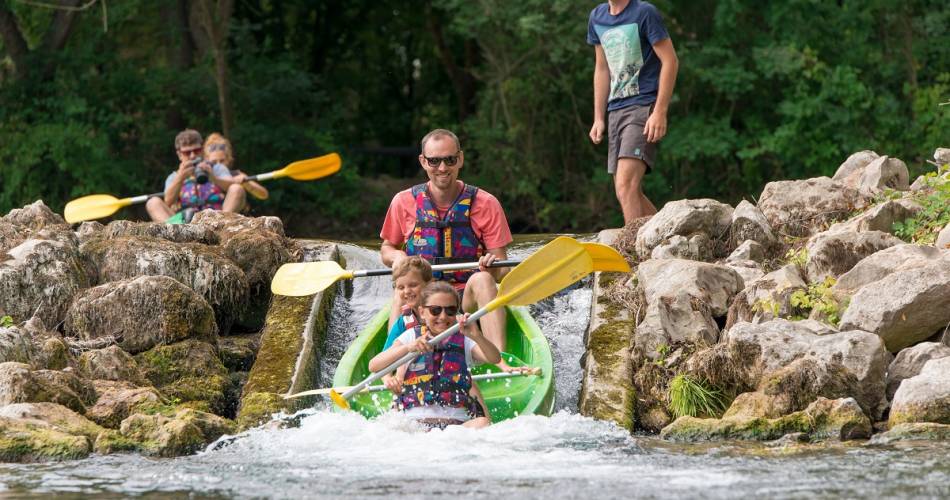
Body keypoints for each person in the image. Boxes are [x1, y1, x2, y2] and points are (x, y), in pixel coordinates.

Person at [380, 129, 514, 368]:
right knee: (404, 287)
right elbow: (387, 248)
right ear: (423, 161)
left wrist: (490, 267)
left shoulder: (487, 203)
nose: (442, 168)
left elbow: (502, 265)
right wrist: (398, 257)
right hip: (423, 293)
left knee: (484, 280)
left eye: (450, 160)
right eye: (434, 161)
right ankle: (393, 363)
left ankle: (501, 362)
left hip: (465, 298)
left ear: (460, 159)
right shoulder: (403, 201)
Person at [587, 0, 678, 223]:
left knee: (626, 185)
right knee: (627, 191)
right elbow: (601, 68)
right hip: (615, 109)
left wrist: (659, 111)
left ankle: (633, 254)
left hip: (643, 105)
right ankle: (664, 237)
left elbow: (670, 61)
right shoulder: (597, 17)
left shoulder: (644, 13)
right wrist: (598, 117)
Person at [369, 281, 499, 429]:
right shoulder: (411, 336)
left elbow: (494, 358)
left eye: (450, 310)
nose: (443, 316)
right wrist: (408, 348)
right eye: (435, 310)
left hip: (455, 426)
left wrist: (477, 336)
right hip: (414, 422)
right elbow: (374, 365)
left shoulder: (465, 338)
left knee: (482, 422)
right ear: (422, 312)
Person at [145, 129, 246, 223]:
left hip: (217, 218)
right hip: (185, 222)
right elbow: (168, 202)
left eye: (196, 151)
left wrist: (213, 178)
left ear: (202, 150)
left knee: (237, 188)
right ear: (180, 155)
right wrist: (181, 178)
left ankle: (223, 225)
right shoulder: (174, 177)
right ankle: (175, 233)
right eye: (187, 153)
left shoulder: (216, 168)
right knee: (153, 202)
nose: (193, 156)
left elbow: (233, 188)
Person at [204, 133, 270, 203]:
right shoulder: (202, 175)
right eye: (214, 162)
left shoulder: (236, 175)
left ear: (228, 160)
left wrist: (247, 183)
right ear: (206, 160)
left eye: (222, 161)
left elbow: (264, 195)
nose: (218, 165)